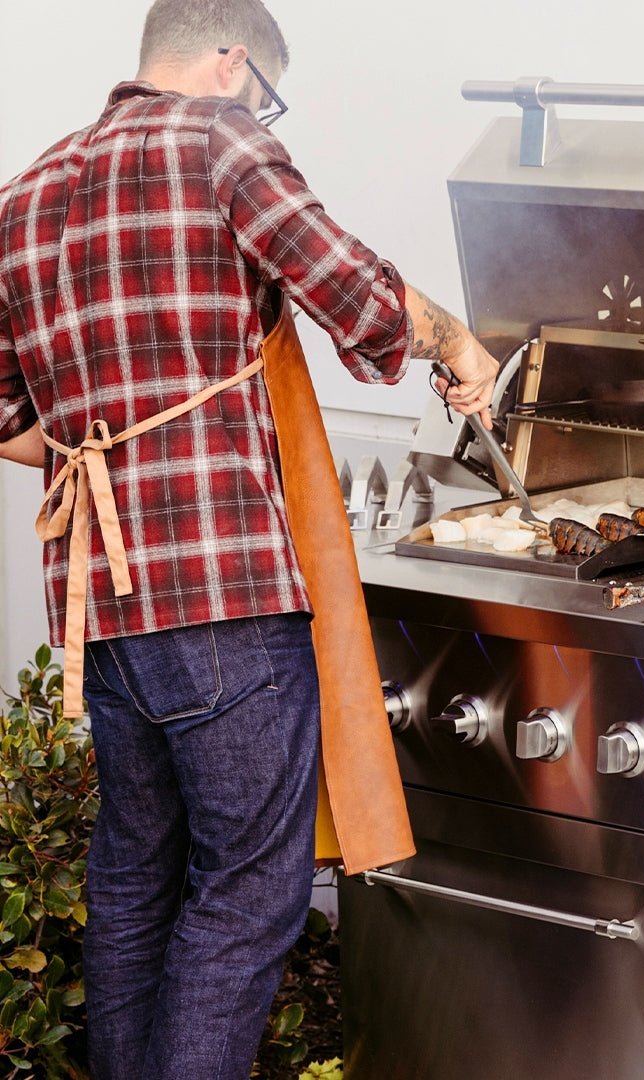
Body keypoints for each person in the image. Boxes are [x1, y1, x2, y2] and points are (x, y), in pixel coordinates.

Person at [0, 1, 498, 1076]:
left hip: (104, 611)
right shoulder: (223, 143)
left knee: (137, 884)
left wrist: (115, 449)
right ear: (229, 62)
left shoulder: (28, 191)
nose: (264, 111)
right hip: (222, 596)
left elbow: (6, 419)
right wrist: (458, 340)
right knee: (245, 900)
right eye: (264, 92)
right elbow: (356, 295)